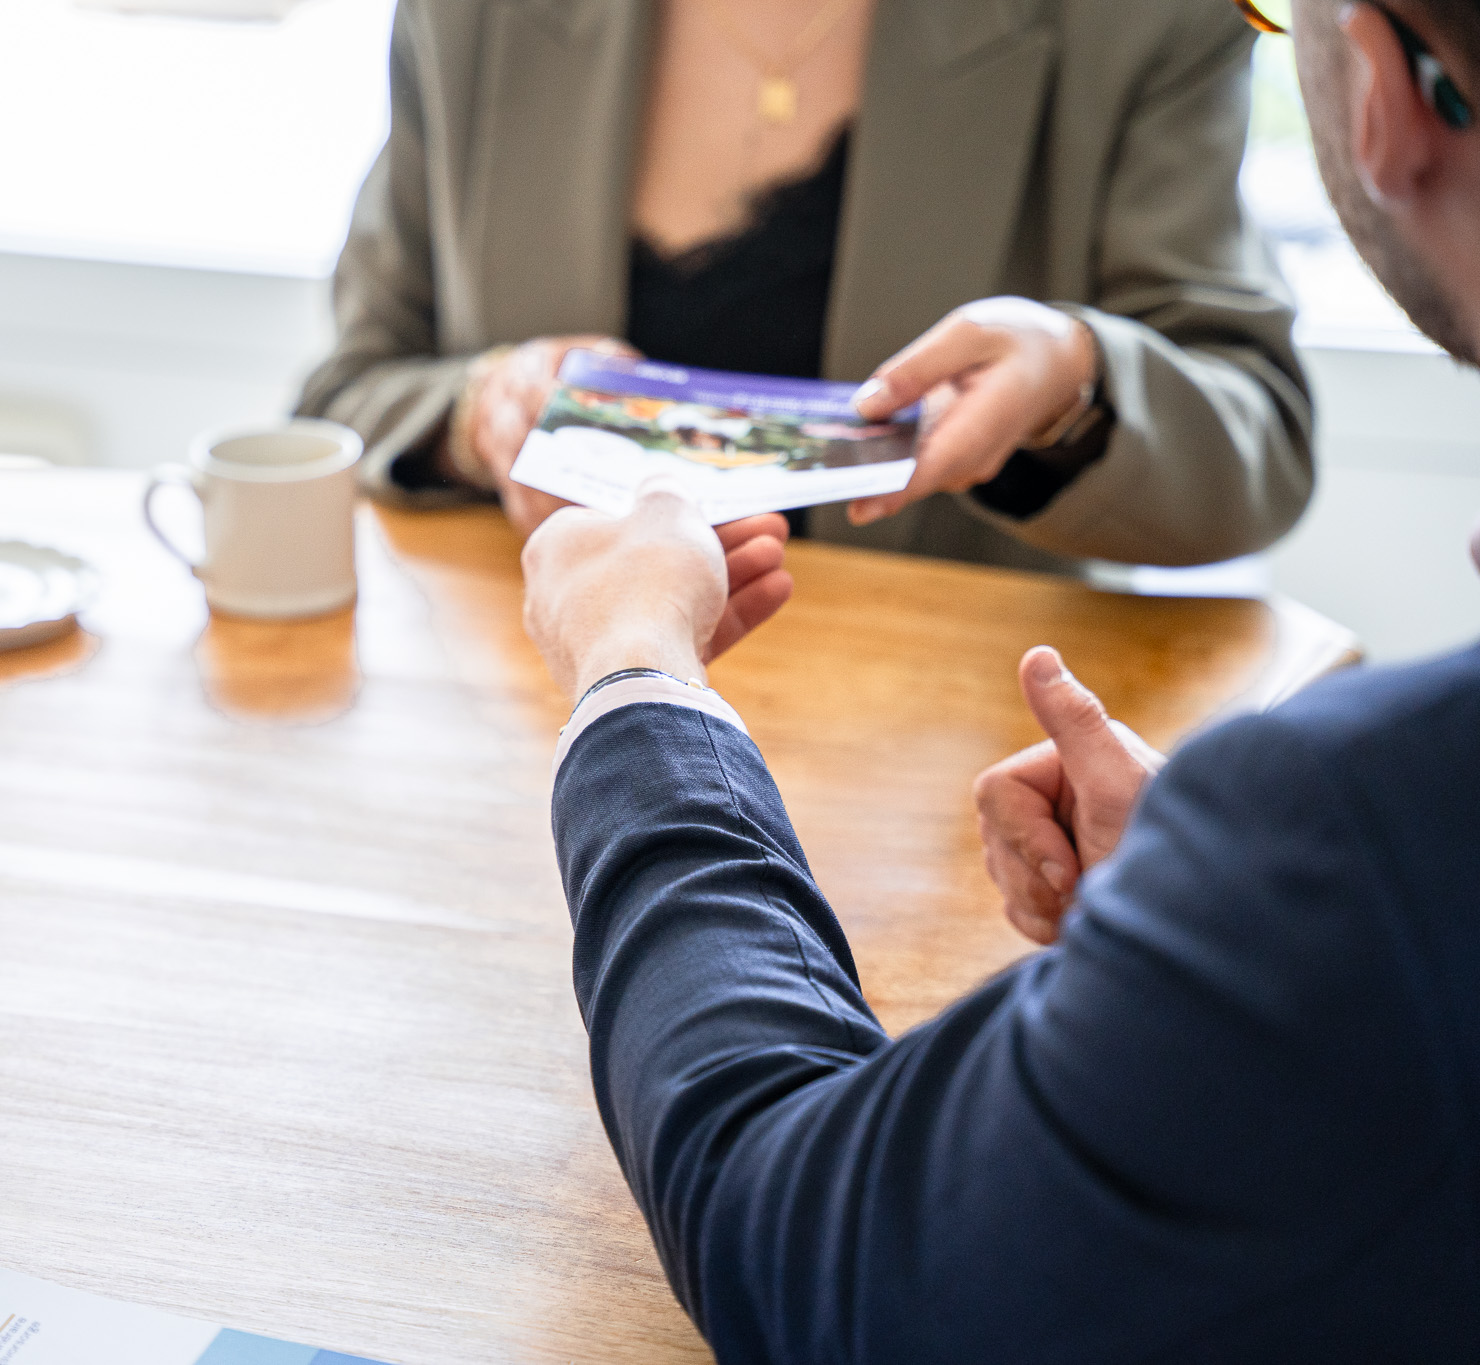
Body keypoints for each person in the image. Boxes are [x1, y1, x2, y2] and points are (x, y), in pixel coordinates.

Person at [519, 0, 1480, 1356]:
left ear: (1382, 90)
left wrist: (633, 672)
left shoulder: (1358, 833)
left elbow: (786, 1244)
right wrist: (1221, 907)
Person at [298, 0, 1317, 576]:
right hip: (550, 736)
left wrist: (1072, 388)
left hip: (951, 771)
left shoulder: (1147, 24)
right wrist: (480, 408)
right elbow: (344, 396)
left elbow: (1256, 446)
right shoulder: (473, 19)